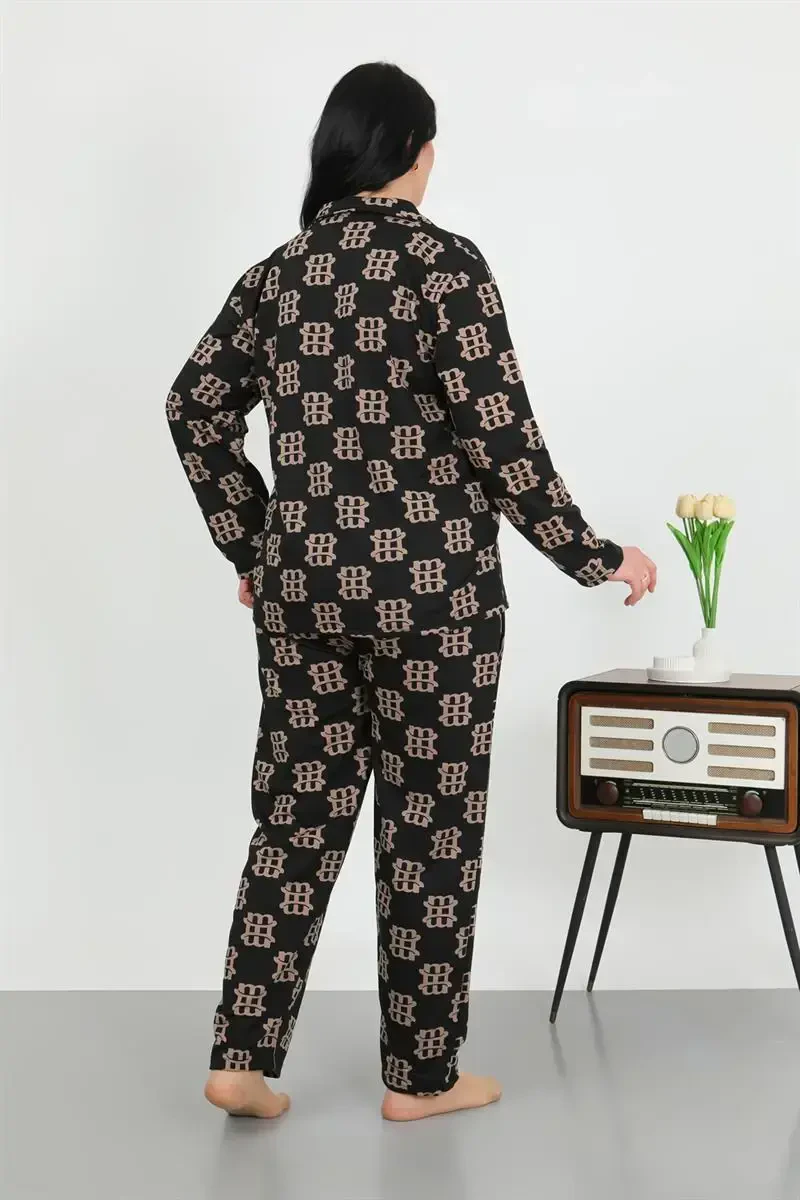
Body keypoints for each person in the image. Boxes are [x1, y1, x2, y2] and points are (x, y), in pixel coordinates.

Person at [165, 61, 656, 1123]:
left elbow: (192, 407)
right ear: (417, 153)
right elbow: (501, 442)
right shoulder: (444, 266)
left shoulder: (277, 274)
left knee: (294, 820)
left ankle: (240, 1059)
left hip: (303, 595)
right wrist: (596, 555)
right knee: (430, 831)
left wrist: (257, 545)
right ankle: (420, 1079)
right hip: (437, 604)